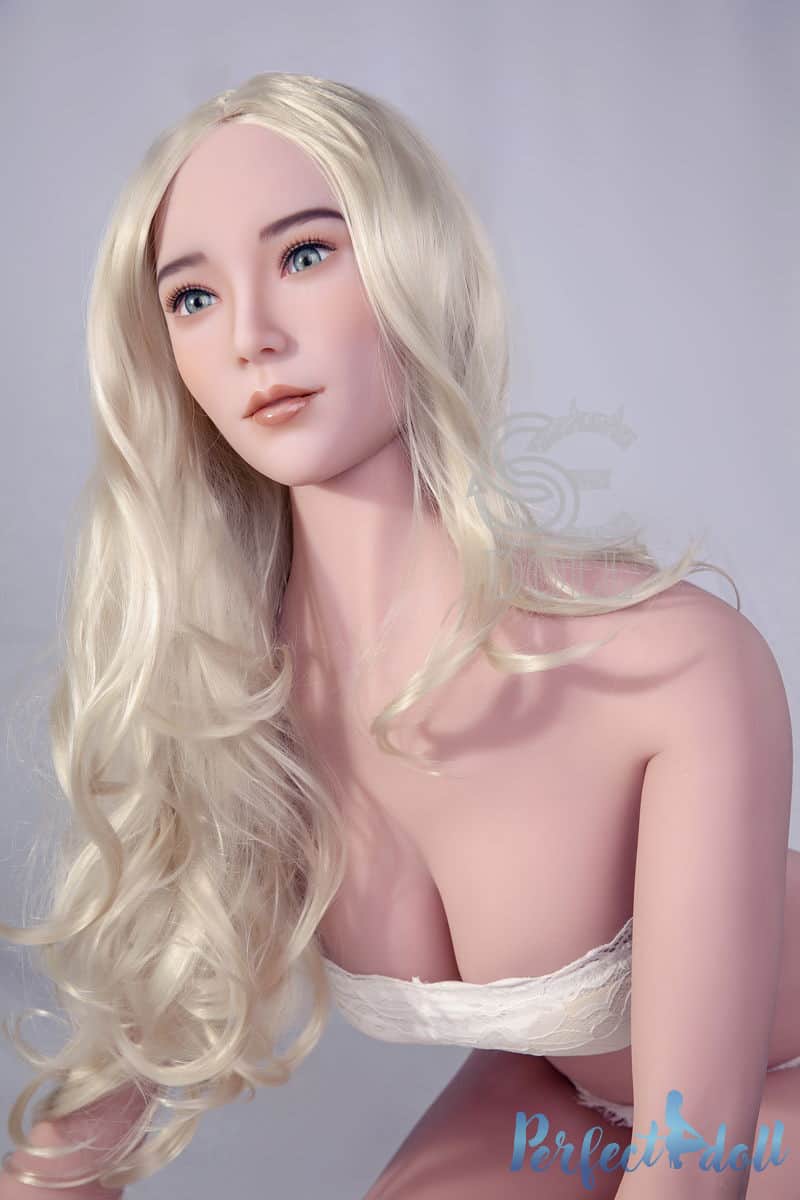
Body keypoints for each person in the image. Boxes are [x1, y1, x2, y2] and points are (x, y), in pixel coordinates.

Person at [0, 73, 796, 1198]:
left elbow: (692, 1168)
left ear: (412, 265)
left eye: (305, 255)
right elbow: (127, 1078)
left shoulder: (669, 668)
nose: (252, 338)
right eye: (193, 298)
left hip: (740, 1109)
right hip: (558, 1093)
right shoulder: (236, 693)